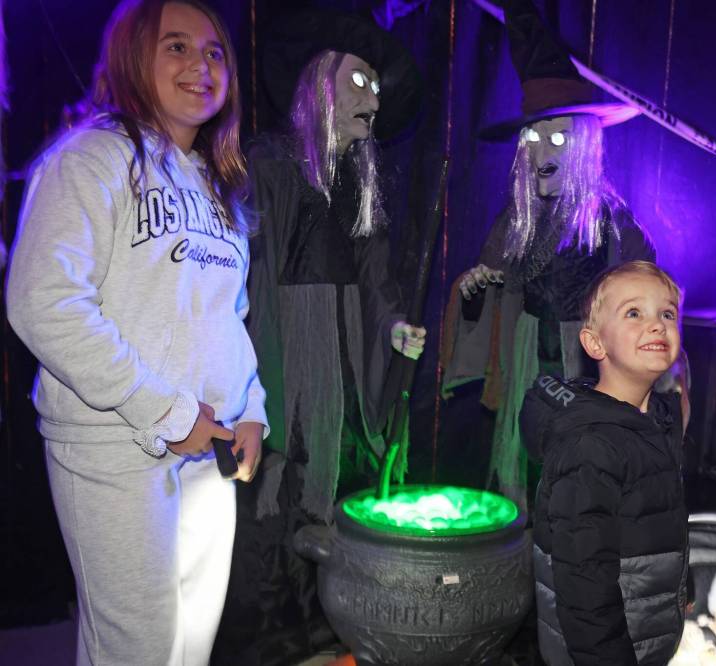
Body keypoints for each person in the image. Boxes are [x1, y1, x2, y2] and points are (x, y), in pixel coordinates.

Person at [5, 1, 266, 663]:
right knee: (138, 650)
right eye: (175, 47)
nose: (200, 66)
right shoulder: (90, 159)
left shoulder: (217, 185)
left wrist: (251, 410)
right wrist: (163, 409)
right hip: (115, 445)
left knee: (190, 646)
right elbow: (43, 302)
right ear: (131, 57)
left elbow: (229, 316)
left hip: (210, 448)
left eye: (214, 53)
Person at [213, 10, 425, 662]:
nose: (372, 99)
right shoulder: (269, 168)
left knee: (330, 493)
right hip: (284, 359)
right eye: (360, 79)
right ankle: (267, 639)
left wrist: (394, 329)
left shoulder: (361, 186)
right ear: (319, 84)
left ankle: (322, 629)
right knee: (278, 493)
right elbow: (240, 283)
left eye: (379, 91)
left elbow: (375, 279)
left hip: (344, 365)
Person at [442, 0, 663, 509]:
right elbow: (491, 290)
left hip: (583, 366)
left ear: (585, 144)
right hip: (525, 359)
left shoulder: (612, 223)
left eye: (559, 137)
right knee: (524, 466)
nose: (544, 153)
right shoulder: (516, 220)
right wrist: (478, 289)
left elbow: (649, 308)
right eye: (534, 139)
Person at [519, 260, 689, 665]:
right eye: (634, 312)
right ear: (595, 344)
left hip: (643, 635)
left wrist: (680, 592)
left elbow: (658, 523)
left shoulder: (655, 423)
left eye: (666, 313)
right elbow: (583, 582)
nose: (656, 324)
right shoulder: (591, 446)